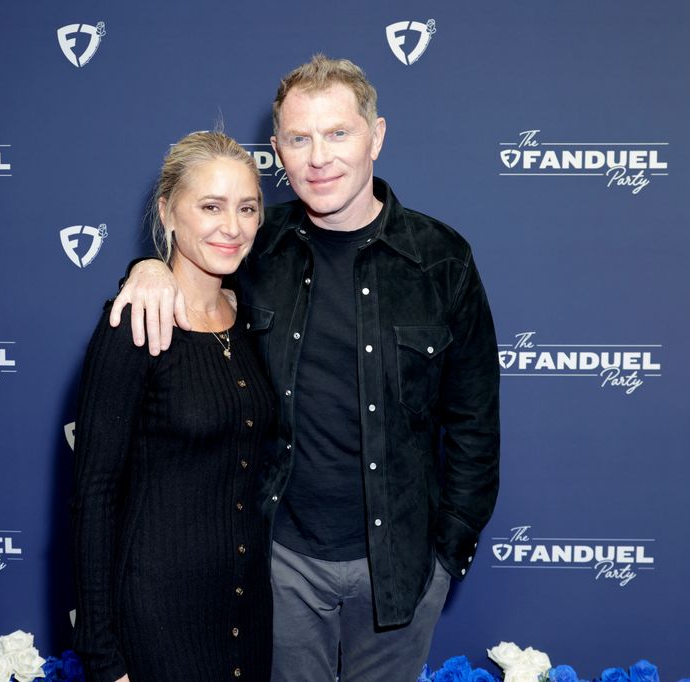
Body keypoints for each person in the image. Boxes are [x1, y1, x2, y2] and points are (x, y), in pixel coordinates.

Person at [112, 55, 500, 682]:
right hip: (276, 563)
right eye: (299, 138)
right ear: (278, 151)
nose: (318, 157)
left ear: (376, 136)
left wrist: (448, 553)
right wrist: (146, 268)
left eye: (338, 133)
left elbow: (476, 422)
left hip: (401, 566)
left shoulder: (442, 260)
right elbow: (186, 266)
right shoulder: (254, 246)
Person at [71, 130, 275, 682]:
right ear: (167, 212)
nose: (232, 227)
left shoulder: (257, 319)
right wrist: (102, 655)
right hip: (157, 620)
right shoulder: (133, 325)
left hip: (250, 615)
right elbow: (93, 496)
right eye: (210, 206)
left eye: (247, 208)